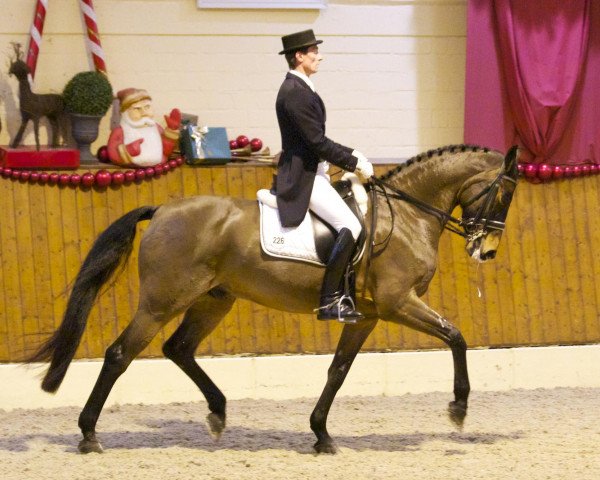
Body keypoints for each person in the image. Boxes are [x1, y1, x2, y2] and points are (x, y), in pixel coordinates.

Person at [274, 29, 374, 322]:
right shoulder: (294, 92)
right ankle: (330, 299)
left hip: (316, 171)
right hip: (303, 177)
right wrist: (354, 161)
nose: (320, 56)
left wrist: (354, 154)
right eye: (313, 51)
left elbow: (318, 140)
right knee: (352, 226)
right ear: (299, 56)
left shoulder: (303, 88)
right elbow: (317, 143)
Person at [107, 88, 181, 167]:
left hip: (158, 168)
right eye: (137, 109)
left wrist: (170, 133)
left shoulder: (156, 128)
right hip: (131, 170)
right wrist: (128, 150)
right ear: (125, 113)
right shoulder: (120, 132)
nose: (144, 113)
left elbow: (166, 151)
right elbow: (113, 153)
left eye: (147, 107)